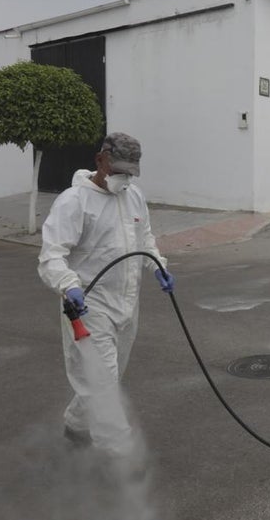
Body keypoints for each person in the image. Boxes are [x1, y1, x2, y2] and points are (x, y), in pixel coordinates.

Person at [38, 132, 175, 451]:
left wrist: (159, 267)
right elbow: (51, 256)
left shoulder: (134, 197)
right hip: (88, 306)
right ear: (100, 160)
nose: (124, 179)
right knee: (103, 387)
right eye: (118, 171)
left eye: (130, 173)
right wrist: (68, 285)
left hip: (127, 305)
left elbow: (145, 241)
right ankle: (116, 462)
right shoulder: (74, 202)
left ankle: (75, 424)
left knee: (105, 380)